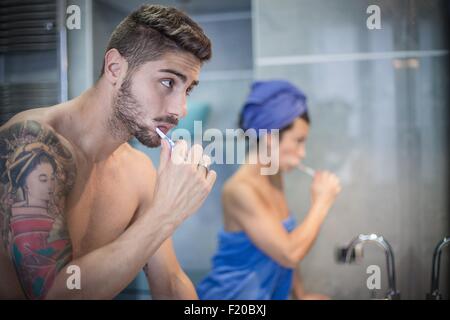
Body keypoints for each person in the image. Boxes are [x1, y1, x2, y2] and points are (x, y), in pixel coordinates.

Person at [0, 5, 216, 299]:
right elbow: (52, 294)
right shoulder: (31, 144)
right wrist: (166, 213)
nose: (180, 109)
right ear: (115, 68)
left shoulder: (138, 171)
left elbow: (171, 283)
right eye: (168, 82)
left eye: (187, 89)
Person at [196, 80, 341, 300]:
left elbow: (284, 238)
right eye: (299, 141)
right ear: (269, 139)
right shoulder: (239, 190)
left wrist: (300, 295)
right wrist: (322, 202)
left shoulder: (274, 176)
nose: (302, 153)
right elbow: (289, 253)